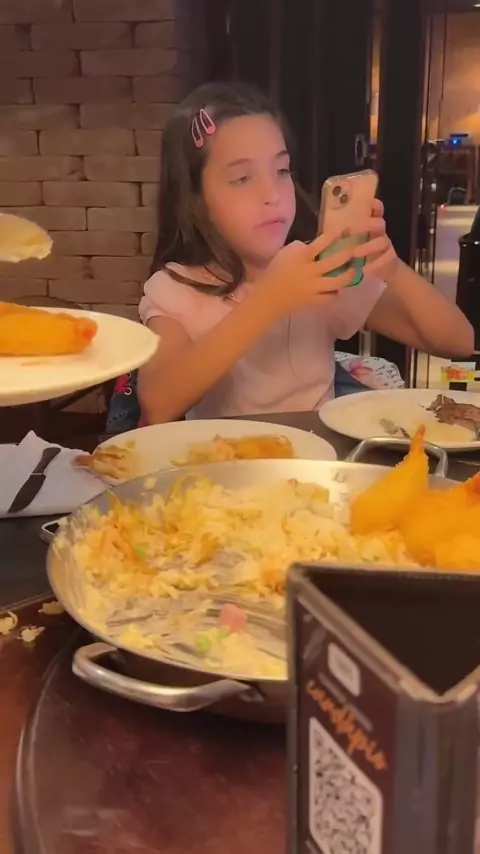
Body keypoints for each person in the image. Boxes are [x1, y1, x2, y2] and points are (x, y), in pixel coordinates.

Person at [137, 81, 473, 424]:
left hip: (319, 454)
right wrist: (269, 299)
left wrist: (393, 269)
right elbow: (158, 404)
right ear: (196, 199)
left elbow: (458, 342)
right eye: (242, 178)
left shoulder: (320, 271)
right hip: (224, 456)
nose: (273, 194)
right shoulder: (177, 288)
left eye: (281, 170)